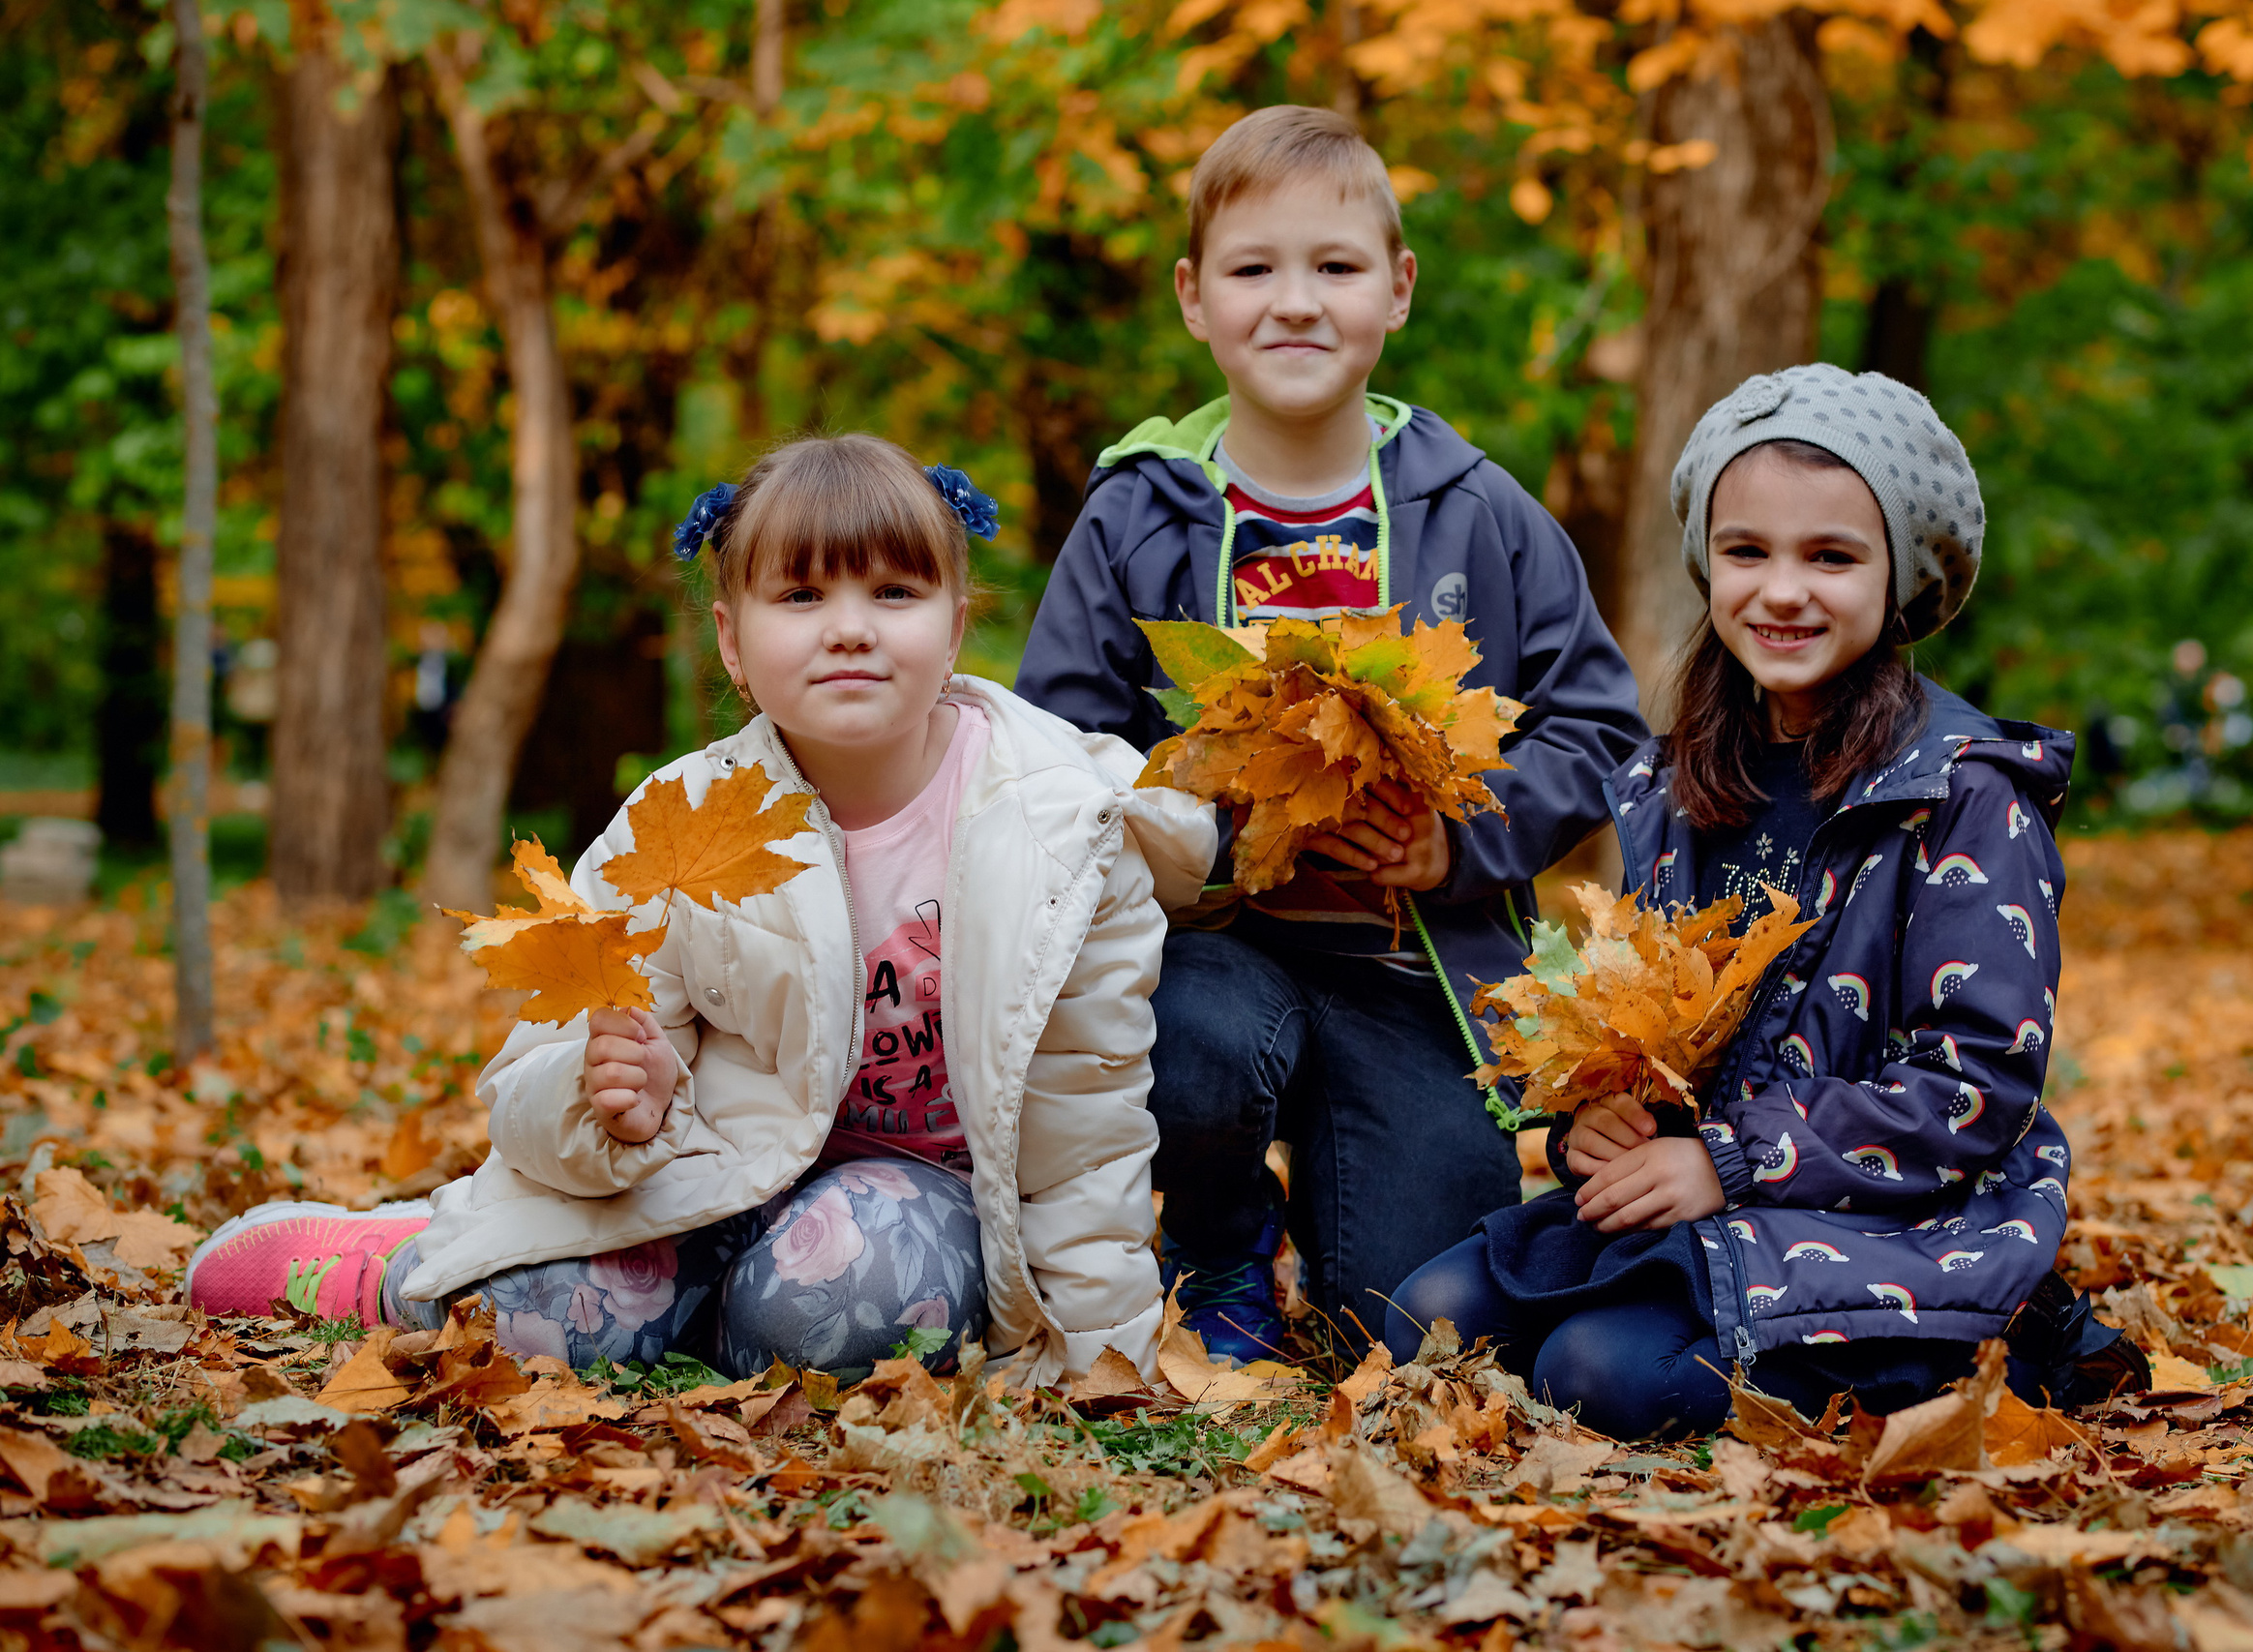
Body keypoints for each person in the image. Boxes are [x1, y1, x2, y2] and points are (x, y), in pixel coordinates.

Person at [186, 436, 1217, 1386]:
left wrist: (1099, 1362)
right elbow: (529, 1079)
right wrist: (606, 1103)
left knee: (837, 1306)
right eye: (802, 596)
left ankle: (707, 1324)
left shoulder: (1063, 834)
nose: (850, 629)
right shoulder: (681, 827)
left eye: (895, 592)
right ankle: (393, 1269)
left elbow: (1087, 1123)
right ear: (732, 640)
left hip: (915, 1204)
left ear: (955, 625)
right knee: (536, 1329)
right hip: (706, 1177)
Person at [1384, 365, 2147, 1436]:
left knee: (1599, 1376)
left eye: (1830, 557)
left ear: (1899, 576)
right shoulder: (1678, 781)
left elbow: (1975, 1086)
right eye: (1747, 551)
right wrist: (1597, 1125)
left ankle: (2000, 1335)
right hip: (1711, 1196)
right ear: (1708, 561)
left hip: (1897, 1211)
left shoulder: (1964, 793)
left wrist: (1728, 1159)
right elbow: (1653, 1027)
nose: (1781, 592)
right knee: (1427, 1317)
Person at [1015, 105, 1649, 1360]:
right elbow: (1054, 753)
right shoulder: (1140, 514)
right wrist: (1200, 819)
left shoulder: (1481, 514)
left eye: (1336, 267)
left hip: (1410, 977)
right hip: (1207, 955)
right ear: (1195, 298)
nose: (1295, 301)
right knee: (1197, 1036)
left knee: (1424, 1328)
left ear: (1397, 291)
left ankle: (1360, 1207)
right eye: (1255, 268)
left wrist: (1464, 836)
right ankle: (1218, 1237)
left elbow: (1600, 727)